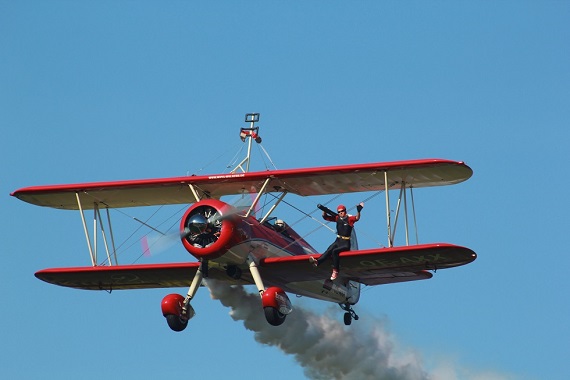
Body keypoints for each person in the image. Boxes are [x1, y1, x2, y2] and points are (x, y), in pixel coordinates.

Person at [309, 202, 364, 280]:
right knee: (329, 249)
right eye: (339, 212)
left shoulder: (349, 219)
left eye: (342, 211)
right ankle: (317, 262)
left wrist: (358, 211)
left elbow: (357, 218)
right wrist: (324, 210)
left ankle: (336, 271)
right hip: (338, 240)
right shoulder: (337, 218)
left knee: (335, 251)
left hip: (345, 243)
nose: (340, 213)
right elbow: (325, 217)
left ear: (345, 211)